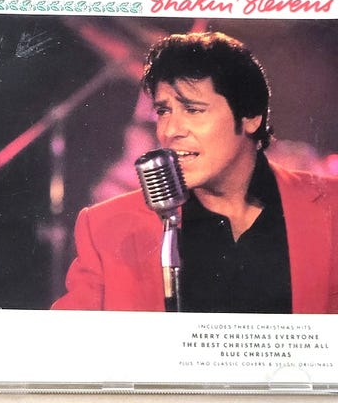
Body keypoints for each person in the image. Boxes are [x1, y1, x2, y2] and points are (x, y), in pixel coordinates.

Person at [52, 32, 338, 314]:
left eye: (192, 110)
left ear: (251, 117)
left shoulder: (331, 205)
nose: (170, 131)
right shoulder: (105, 227)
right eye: (163, 111)